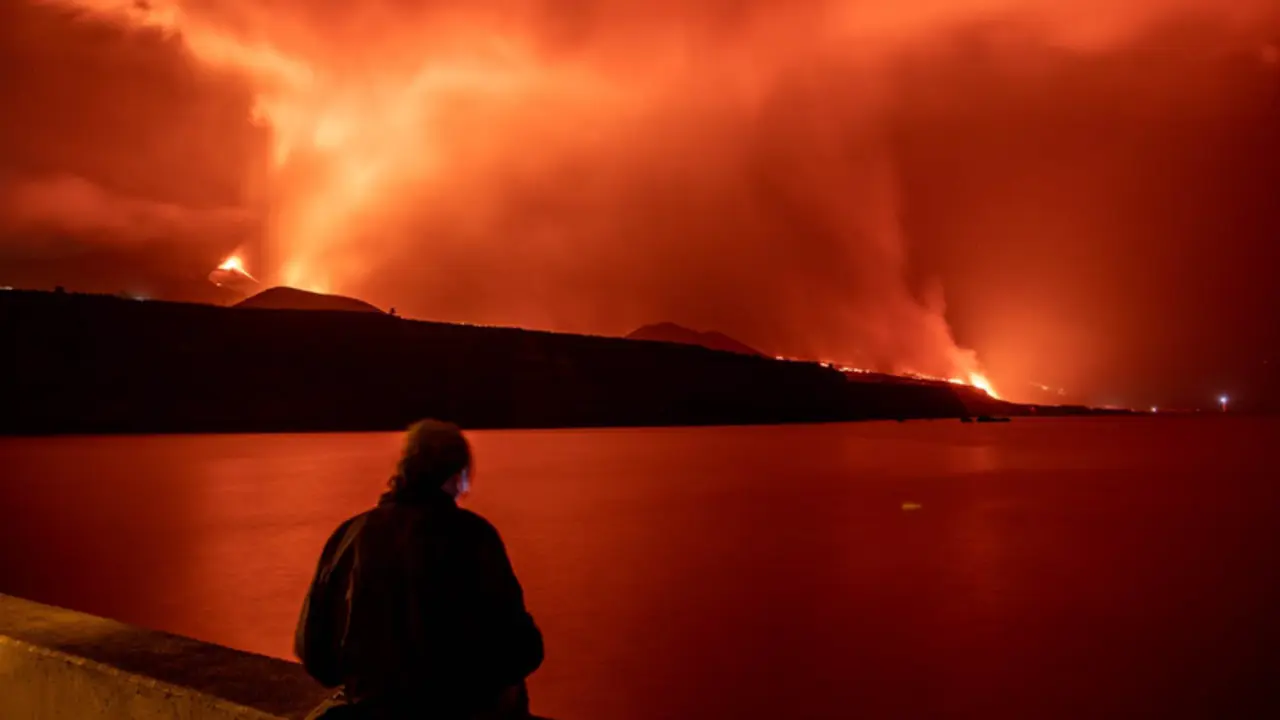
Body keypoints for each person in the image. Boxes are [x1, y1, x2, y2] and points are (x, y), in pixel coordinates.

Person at [296, 419, 544, 719]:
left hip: (372, 709)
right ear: (455, 477)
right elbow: (521, 647)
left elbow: (314, 651)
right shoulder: (474, 537)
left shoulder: (349, 535)